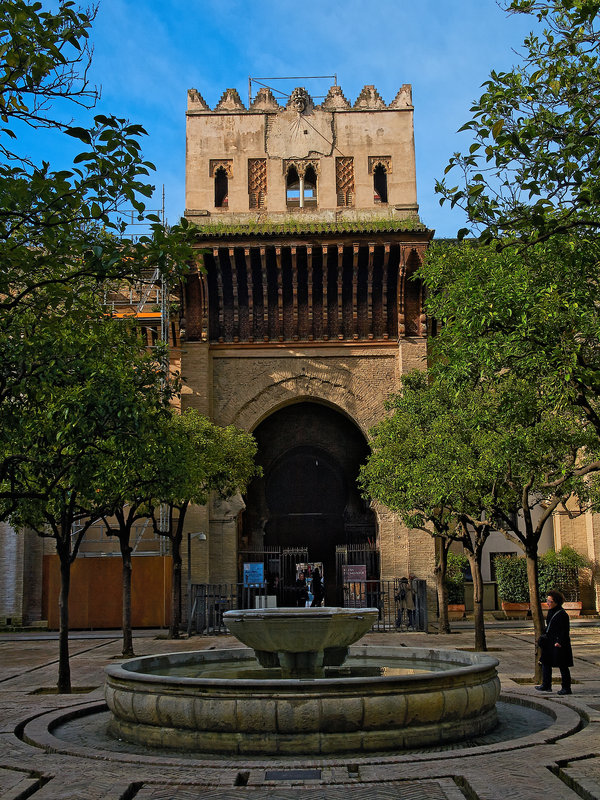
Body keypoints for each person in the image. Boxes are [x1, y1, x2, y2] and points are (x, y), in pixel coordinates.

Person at [536, 590, 573, 695]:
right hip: (549, 642)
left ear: (556, 602)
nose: (547, 603)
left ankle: (566, 688)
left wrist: (559, 642)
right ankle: (546, 685)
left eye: (550, 601)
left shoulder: (562, 614)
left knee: (563, 666)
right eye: (547, 601)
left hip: (559, 644)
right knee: (546, 662)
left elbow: (565, 630)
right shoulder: (551, 611)